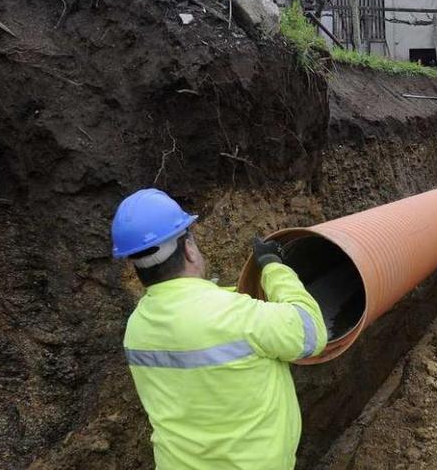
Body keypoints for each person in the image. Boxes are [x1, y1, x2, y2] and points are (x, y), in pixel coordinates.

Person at [111, 188, 327, 469]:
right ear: (188, 248)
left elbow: (197, 317)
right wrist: (274, 268)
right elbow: (311, 332)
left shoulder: (136, 329)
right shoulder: (236, 317)